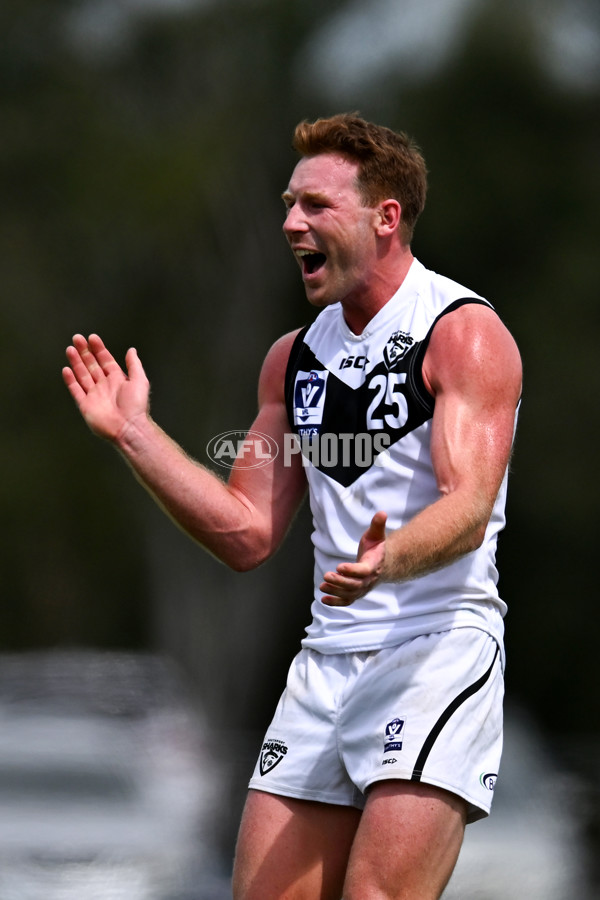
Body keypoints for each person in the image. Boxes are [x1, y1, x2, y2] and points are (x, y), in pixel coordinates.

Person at [62, 113, 522, 900]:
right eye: (287, 201)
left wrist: (389, 559)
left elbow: (470, 505)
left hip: (435, 652)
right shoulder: (294, 358)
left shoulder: (461, 333)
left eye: (314, 204)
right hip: (325, 659)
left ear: (385, 217)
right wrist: (135, 433)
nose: (289, 223)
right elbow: (246, 531)